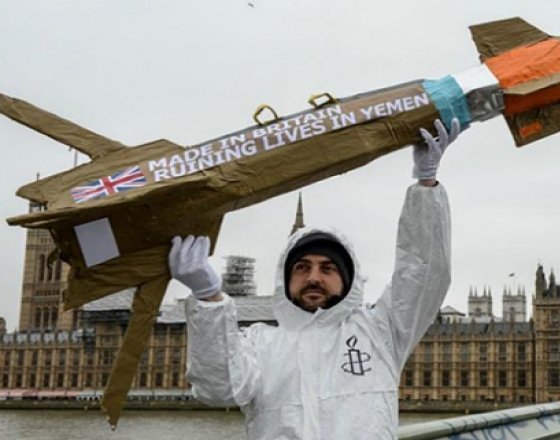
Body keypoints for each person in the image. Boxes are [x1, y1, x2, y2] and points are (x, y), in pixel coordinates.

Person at [169, 118, 460, 439]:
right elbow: (218, 389)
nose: (314, 277)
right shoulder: (260, 343)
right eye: (302, 267)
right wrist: (209, 298)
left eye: (328, 268)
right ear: (285, 278)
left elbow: (423, 270)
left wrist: (426, 185)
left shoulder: (380, 331)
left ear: (347, 279)